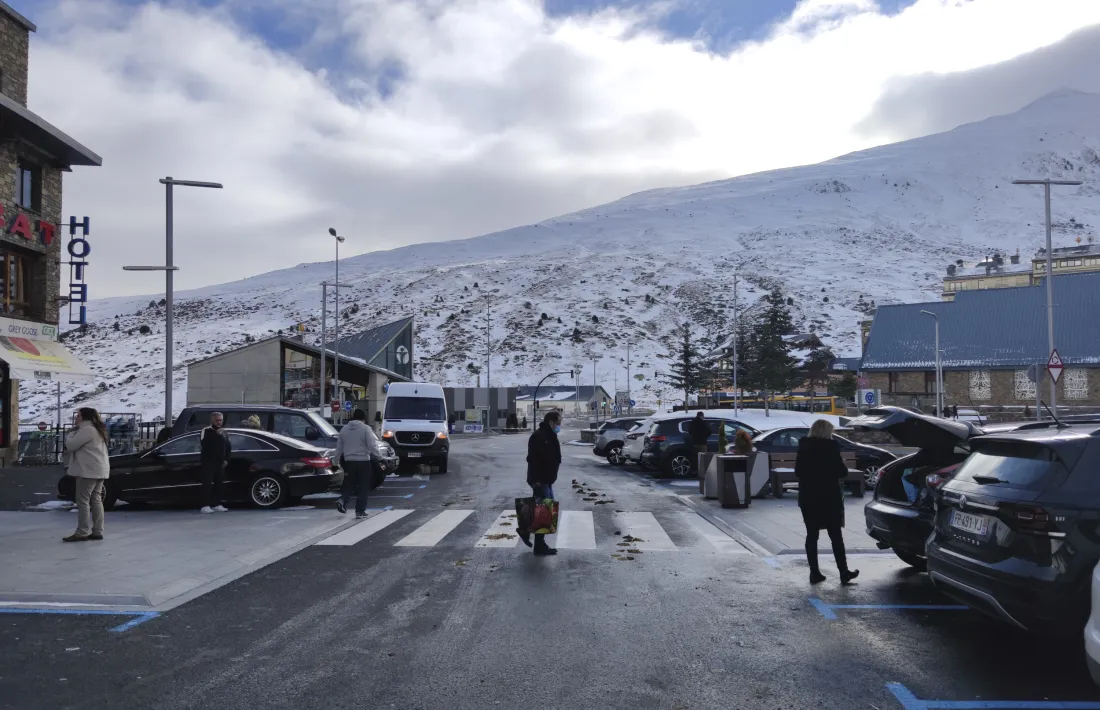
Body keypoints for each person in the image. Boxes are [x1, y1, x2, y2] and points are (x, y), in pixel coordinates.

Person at [795, 419, 859, 585]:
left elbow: (798, 471)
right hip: (829, 498)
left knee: (812, 535)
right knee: (836, 536)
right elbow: (842, 472)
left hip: (808, 497)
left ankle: (814, 572)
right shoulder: (831, 448)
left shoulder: (803, 448)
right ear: (826, 432)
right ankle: (843, 572)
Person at [62, 408, 111, 542]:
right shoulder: (97, 430)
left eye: (78, 416)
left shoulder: (87, 430)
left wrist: (70, 434)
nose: (76, 418)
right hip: (99, 470)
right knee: (96, 500)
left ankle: (82, 532)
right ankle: (97, 531)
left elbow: (71, 445)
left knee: (82, 501)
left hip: (88, 471)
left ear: (85, 417)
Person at [521, 411, 562, 556]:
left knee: (542, 510)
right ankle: (538, 544)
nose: (559, 426)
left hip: (547, 479)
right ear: (551, 422)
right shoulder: (539, 436)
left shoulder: (549, 435)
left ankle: (527, 532)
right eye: (558, 423)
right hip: (541, 480)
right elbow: (533, 460)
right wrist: (536, 481)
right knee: (544, 512)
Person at [335, 408, 376, 519]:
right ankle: (360, 511)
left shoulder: (344, 430)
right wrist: (380, 458)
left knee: (350, 484)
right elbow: (372, 445)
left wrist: (335, 461)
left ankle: (343, 500)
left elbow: (339, 448)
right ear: (363, 418)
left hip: (349, 462)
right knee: (363, 486)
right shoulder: (366, 429)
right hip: (364, 461)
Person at [200, 412, 231, 513]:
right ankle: (205, 505)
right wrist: (216, 435)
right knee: (207, 484)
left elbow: (228, 446)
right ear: (212, 420)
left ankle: (216, 504)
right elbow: (204, 444)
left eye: (220, 420)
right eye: (217, 420)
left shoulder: (224, 432)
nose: (219, 422)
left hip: (220, 463)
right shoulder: (206, 430)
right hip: (208, 462)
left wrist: (226, 460)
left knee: (219, 484)